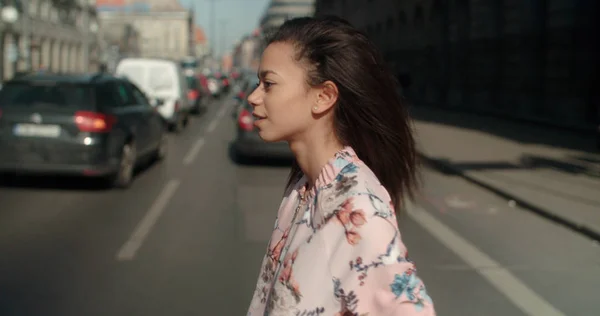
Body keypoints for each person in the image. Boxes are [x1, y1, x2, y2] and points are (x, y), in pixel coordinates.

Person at [246, 16, 436, 316]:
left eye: (268, 84)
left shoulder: (358, 209)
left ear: (323, 97)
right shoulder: (304, 187)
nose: (253, 97)